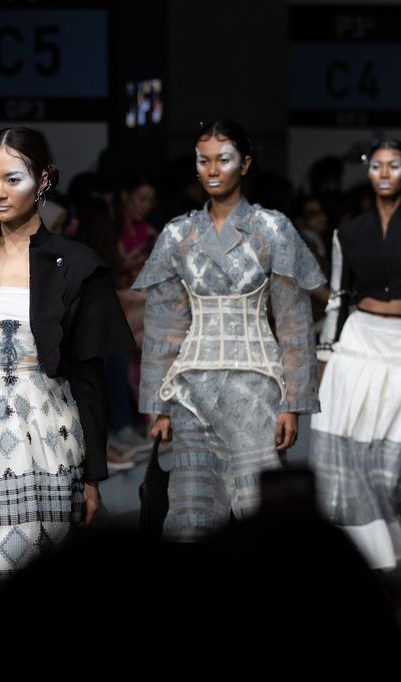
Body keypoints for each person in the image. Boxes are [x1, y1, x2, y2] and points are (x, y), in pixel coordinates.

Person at [0, 125, 135, 602]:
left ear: (44, 179)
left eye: (13, 178)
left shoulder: (77, 265)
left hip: (48, 433)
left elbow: (89, 376)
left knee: (30, 564)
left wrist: (94, 474)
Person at [134, 118, 325, 541]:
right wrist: (158, 407)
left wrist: (292, 402)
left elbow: (294, 320)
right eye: (203, 161)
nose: (213, 169)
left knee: (260, 499)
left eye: (224, 159)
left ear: (246, 163)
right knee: (192, 503)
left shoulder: (272, 229)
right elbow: (164, 324)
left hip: (256, 383)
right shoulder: (178, 233)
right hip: (190, 386)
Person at [309, 138, 401, 590]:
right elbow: (336, 299)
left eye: (395, 165)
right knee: (355, 451)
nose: (386, 172)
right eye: (377, 166)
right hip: (358, 343)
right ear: (369, 173)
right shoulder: (347, 233)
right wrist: (324, 364)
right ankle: (370, 557)